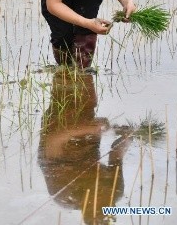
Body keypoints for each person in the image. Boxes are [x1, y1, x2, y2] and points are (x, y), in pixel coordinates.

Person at [38, 68, 132, 224]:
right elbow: (116, 156)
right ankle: (76, 58)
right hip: (86, 141)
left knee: (69, 90)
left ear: (87, 205)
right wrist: (127, 138)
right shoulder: (115, 192)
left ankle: (69, 61)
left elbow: (53, 140)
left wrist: (88, 128)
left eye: (103, 200)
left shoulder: (63, 191)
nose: (105, 193)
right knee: (87, 93)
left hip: (59, 126)